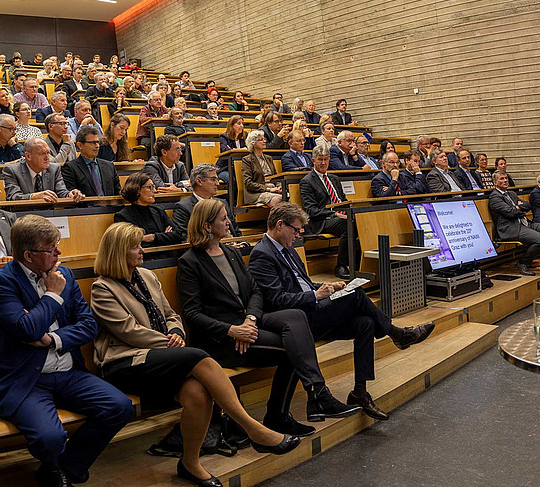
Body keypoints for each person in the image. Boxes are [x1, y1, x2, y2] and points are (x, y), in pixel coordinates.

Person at [92, 224, 299, 485]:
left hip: (164, 357)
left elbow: (170, 314)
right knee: (197, 356)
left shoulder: (146, 275)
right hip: (126, 362)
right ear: (118, 252)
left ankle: (189, 463)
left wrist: (176, 331)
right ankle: (252, 428)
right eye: (135, 246)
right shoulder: (103, 288)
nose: (141, 250)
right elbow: (130, 332)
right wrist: (171, 343)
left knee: (198, 394)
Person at [0, 215, 134, 487]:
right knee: (49, 438)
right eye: (51, 249)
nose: (59, 253)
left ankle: (63, 468)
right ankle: (55, 467)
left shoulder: (66, 275)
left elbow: (88, 325)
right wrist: (52, 295)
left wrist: (52, 339)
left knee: (119, 407)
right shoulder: (0, 282)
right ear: (28, 255)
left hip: (67, 371)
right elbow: (26, 330)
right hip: (26, 379)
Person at [177, 200, 354, 435]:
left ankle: (309, 398)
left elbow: (255, 292)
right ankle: (285, 411)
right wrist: (232, 329)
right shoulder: (190, 262)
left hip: (247, 327)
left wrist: (249, 319)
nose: (229, 222)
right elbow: (192, 314)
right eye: (223, 218)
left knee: (296, 320)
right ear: (207, 225)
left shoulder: (230, 252)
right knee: (294, 348)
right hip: (220, 339)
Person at [248, 204, 435, 421]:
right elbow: (275, 300)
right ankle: (397, 334)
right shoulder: (262, 254)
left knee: (364, 322)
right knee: (355, 295)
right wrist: (316, 296)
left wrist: (329, 287)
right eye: (296, 230)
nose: (298, 235)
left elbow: (304, 284)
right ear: (280, 225)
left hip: (312, 309)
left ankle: (359, 392)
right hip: (297, 321)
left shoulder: (286, 248)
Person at [299, 145, 359, 280]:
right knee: (347, 225)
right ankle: (341, 265)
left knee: (361, 219)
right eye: (320, 159)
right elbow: (311, 210)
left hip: (340, 216)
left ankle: (359, 264)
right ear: (313, 160)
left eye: (326, 159)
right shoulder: (307, 181)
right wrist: (334, 214)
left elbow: (342, 200)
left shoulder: (334, 178)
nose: (323, 163)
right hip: (321, 220)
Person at [488, 170, 540, 276]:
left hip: (525, 224)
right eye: (502, 179)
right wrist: (517, 208)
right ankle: (523, 263)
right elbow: (510, 213)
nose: (505, 180)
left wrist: (518, 207)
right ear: (495, 182)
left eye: (506, 178)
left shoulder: (512, 193)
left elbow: (528, 206)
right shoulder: (495, 197)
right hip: (511, 228)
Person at [171, 163, 242, 241]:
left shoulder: (223, 203)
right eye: (213, 179)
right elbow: (186, 239)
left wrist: (242, 244)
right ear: (199, 181)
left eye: (217, 180)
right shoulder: (183, 208)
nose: (217, 184)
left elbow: (237, 233)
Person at [3, 137, 85, 203]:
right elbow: (13, 197)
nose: (47, 158)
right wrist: (34, 196)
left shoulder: (54, 169)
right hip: (23, 217)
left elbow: (61, 192)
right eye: (42, 154)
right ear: (28, 156)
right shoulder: (12, 171)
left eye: (48, 153)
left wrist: (70, 194)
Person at [113, 173, 183, 247]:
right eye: (150, 187)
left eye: (154, 187)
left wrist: (153, 237)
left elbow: (178, 235)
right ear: (137, 190)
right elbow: (130, 244)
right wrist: (165, 236)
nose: (155, 191)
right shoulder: (122, 216)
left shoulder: (158, 211)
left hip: (166, 256)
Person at [62, 126, 122, 198]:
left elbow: (118, 193)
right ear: (80, 145)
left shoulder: (109, 166)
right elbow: (72, 195)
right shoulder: (70, 168)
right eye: (92, 143)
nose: (97, 146)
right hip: (87, 208)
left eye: (97, 142)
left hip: (110, 208)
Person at [241, 130, 283, 208]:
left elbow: (276, 177)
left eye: (264, 139)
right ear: (253, 143)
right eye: (261, 140)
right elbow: (248, 183)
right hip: (256, 193)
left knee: (290, 196)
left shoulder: (269, 158)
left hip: (273, 189)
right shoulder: (247, 160)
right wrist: (268, 189)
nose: (264, 141)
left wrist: (280, 186)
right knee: (278, 199)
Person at [217, 115, 247, 183]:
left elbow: (249, 149)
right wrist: (242, 150)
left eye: (242, 123)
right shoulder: (224, 137)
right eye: (239, 123)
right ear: (232, 125)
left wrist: (233, 149)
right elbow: (225, 150)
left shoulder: (244, 136)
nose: (241, 126)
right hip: (225, 168)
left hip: (240, 168)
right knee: (233, 180)